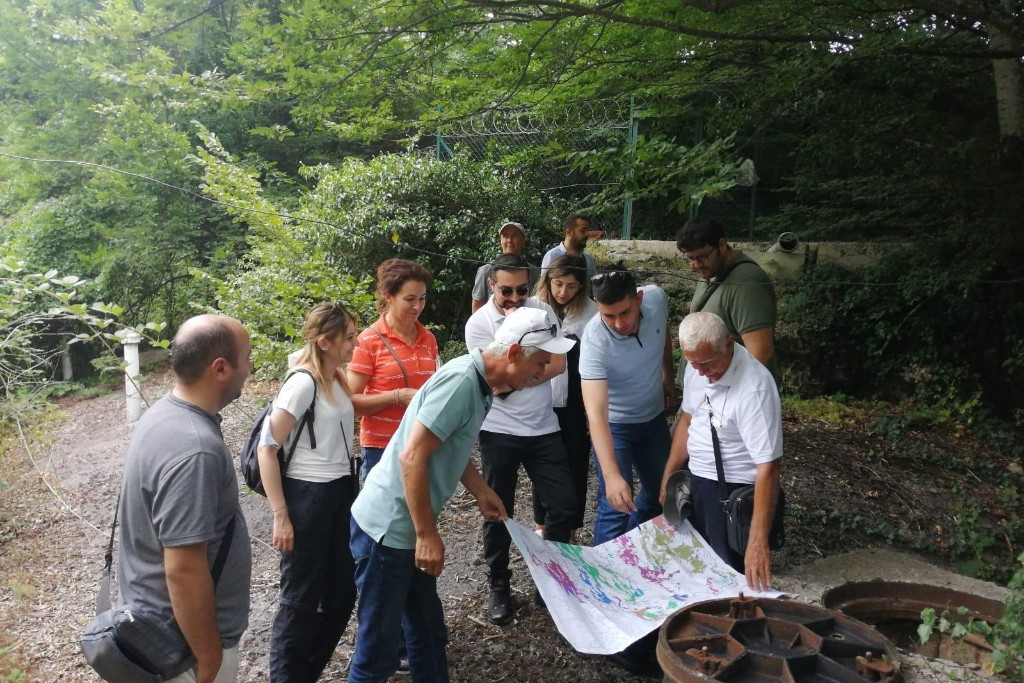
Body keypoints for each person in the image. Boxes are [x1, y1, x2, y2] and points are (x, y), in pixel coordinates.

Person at [348, 306, 574, 683]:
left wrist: (481, 489)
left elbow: (448, 443)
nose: (543, 371)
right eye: (540, 362)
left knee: (428, 633)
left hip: (406, 529)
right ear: (515, 352)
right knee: (378, 650)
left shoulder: (483, 382)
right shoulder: (460, 383)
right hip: (387, 531)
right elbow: (413, 456)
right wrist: (425, 533)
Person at [117, 314, 252, 683]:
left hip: (156, 628)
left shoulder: (163, 414)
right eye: (248, 357)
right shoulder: (194, 448)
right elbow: (183, 568)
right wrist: (208, 658)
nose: (251, 367)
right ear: (220, 368)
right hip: (182, 650)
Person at [466, 270, 578, 624]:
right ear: (492, 287)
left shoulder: (541, 312)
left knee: (565, 505)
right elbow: (492, 381)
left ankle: (551, 579)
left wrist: (525, 373)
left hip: (543, 427)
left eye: (522, 290)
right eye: (507, 290)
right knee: (498, 508)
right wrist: (527, 374)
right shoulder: (478, 323)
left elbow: (558, 363)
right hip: (498, 429)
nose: (515, 297)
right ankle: (499, 583)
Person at [257, 302, 360, 682]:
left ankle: (304, 673)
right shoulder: (303, 382)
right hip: (307, 497)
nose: (355, 342)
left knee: (341, 595)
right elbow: (267, 447)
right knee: (299, 600)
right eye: (348, 337)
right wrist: (280, 513)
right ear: (324, 341)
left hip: (340, 492)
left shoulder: (337, 377)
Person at [660, 312, 782, 592]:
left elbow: (768, 467)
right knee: (699, 567)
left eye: (707, 363)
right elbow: (688, 419)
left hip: (735, 491)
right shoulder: (697, 365)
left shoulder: (755, 388)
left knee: (732, 577)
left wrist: (757, 540)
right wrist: (669, 475)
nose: (700, 371)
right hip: (698, 480)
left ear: (729, 343)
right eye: (693, 363)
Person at [579, 266, 675, 545]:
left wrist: (667, 374)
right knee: (616, 503)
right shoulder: (594, 339)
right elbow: (595, 414)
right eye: (608, 316)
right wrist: (611, 476)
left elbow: (663, 330)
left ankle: (634, 545)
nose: (619, 323)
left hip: (653, 418)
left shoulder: (657, 298)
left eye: (625, 312)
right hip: (615, 425)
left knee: (662, 492)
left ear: (639, 299)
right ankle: (603, 580)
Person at [349, 259, 440, 475]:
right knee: (383, 509)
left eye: (422, 298)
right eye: (409, 299)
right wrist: (397, 397)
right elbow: (350, 403)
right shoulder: (368, 341)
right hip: (382, 448)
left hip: (423, 442)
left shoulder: (429, 339)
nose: (417, 306)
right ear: (388, 296)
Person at [531, 254, 598, 540]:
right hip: (541, 395)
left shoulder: (591, 313)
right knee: (542, 460)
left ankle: (570, 526)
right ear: (548, 281)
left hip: (576, 399)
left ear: (581, 286)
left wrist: (592, 411)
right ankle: (542, 523)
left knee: (575, 461)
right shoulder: (534, 307)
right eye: (558, 284)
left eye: (571, 286)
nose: (563, 292)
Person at [676, 216, 777, 383]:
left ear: (721, 245)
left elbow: (761, 353)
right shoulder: (710, 271)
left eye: (701, 257)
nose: (696, 265)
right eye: (690, 258)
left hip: (731, 397)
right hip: (706, 392)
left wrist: (729, 397)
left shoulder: (747, 282)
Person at [470, 221, 541, 312]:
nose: (509, 240)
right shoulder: (486, 271)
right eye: (505, 236)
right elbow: (477, 306)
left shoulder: (533, 272)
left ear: (523, 241)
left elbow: (538, 302)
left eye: (515, 236)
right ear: (501, 240)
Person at [541, 213, 597, 282]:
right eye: (583, 231)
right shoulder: (553, 255)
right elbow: (544, 286)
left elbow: (594, 286)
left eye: (588, 230)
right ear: (569, 232)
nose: (587, 234)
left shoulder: (588, 258)